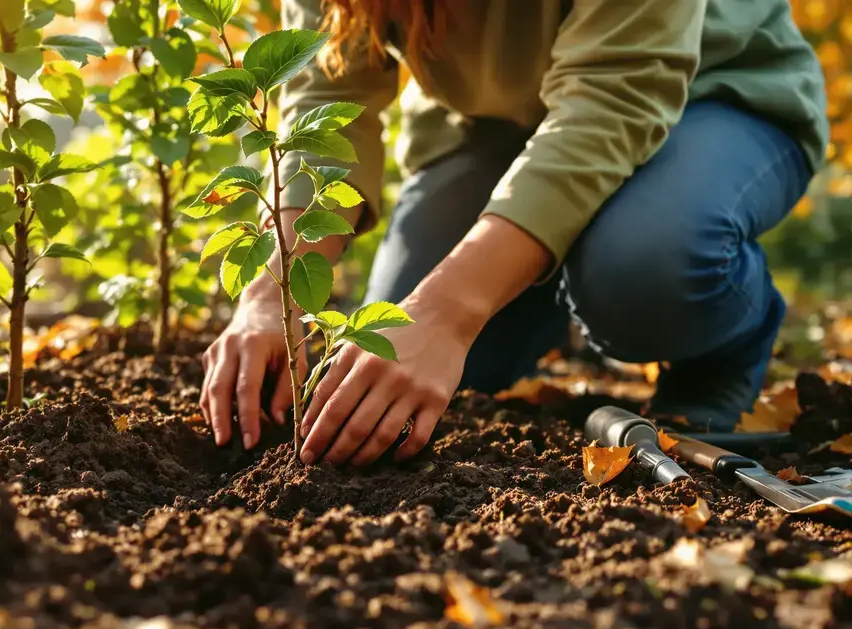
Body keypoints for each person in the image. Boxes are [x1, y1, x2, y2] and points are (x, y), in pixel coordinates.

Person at [200, 0, 829, 468]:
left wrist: (450, 312)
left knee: (642, 270)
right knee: (402, 363)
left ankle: (720, 352)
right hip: (497, 126)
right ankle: (542, 273)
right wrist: (271, 294)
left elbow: (611, 105)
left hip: (709, 94)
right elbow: (328, 95)